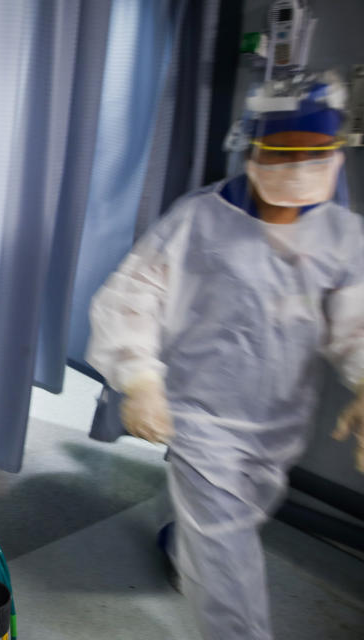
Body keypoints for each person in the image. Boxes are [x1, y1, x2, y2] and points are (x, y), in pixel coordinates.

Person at [85, 72, 364, 640]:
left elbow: (357, 323)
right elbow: (132, 297)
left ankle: (186, 544)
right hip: (201, 417)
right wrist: (139, 379)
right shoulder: (200, 220)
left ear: (337, 152)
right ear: (255, 147)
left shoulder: (342, 236)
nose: (298, 166)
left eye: (316, 153)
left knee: (227, 527)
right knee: (226, 557)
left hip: (280, 425)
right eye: (284, 151)